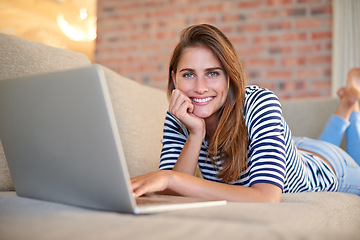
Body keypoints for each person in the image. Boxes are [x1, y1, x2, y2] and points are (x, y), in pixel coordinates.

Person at [131, 24, 360, 202]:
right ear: (174, 78)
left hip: (331, 168)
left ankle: (352, 107)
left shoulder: (260, 102)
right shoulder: (179, 113)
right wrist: (196, 134)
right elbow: (172, 196)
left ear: (229, 77)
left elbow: (266, 197)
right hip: (296, 150)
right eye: (189, 74)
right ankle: (347, 105)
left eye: (212, 73)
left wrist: (169, 177)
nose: (200, 88)